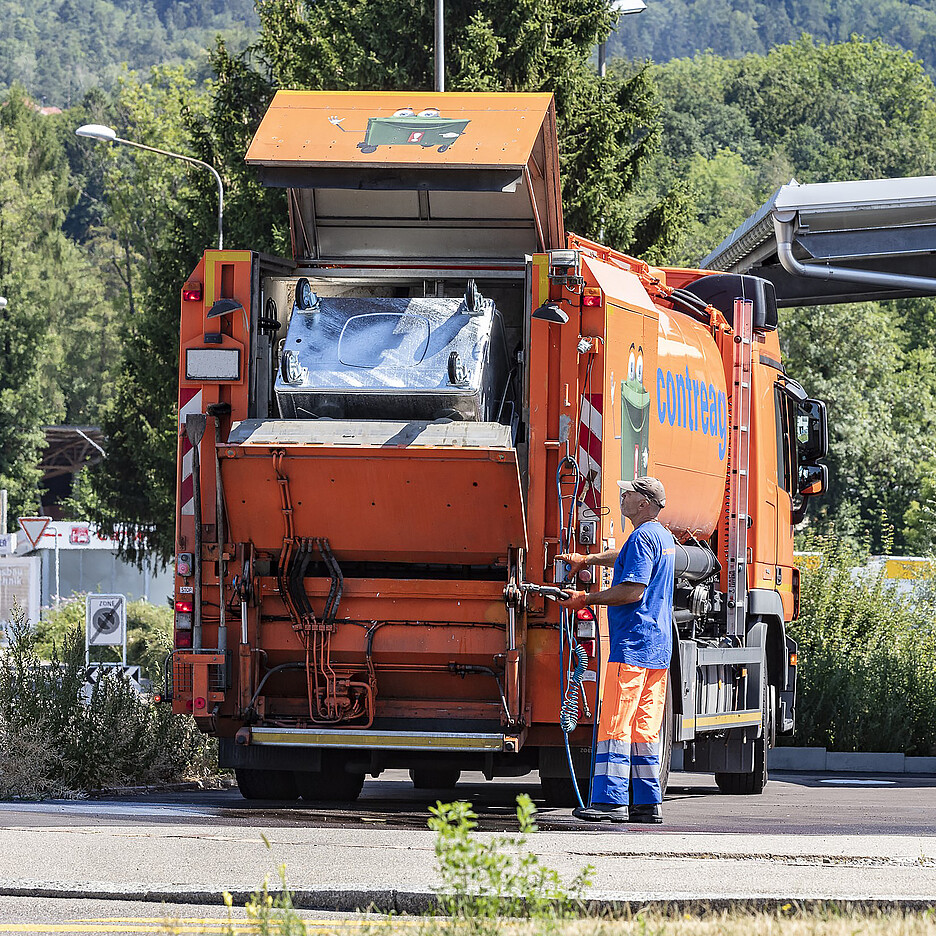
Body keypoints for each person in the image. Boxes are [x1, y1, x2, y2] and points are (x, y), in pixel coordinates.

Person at [556, 476, 675, 823]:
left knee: (615, 727)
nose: (622, 497)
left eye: (628, 494)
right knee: (645, 729)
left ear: (643, 503)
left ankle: (610, 802)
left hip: (633, 646)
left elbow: (631, 591)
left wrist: (586, 598)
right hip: (657, 649)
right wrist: (586, 560)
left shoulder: (642, 538)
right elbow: (624, 557)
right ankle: (647, 803)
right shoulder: (661, 536)